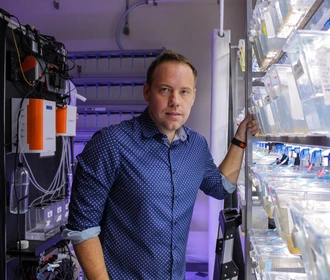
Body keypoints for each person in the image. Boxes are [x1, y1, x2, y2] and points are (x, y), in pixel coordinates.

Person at [62, 49, 258, 279]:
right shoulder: (111, 143)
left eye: (184, 92)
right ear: (147, 92)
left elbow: (221, 187)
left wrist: (240, 138)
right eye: (165, 90)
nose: (175, 101)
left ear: (193, 96)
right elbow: (82, 228)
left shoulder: (196, 145)